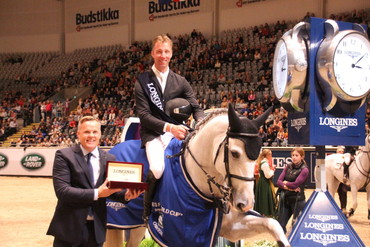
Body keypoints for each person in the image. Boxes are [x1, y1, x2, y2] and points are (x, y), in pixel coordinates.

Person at [134, 34, 205, 223]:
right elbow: (144, 116)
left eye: (166, 52)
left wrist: (201, 124)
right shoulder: (142, 81)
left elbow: (196, 108)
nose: (163, 55)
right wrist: (169, 128)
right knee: (157, 169)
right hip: (154, 134)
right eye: (159, 51)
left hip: (179, 131)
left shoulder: (180, 81)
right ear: (152, 53)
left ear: (172, 54)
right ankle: (147, 210)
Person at [47, 116, 143, 247]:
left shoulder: (109, 158)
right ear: (78, 134)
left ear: (100, 134)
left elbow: (111, 191)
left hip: (96, 229)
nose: (91, 135)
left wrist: (126, 195)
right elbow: (63, 192)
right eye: (87, 132)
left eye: (95, 132)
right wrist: (97, 193)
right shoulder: (64, 155)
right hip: (69, 228)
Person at [276, 147, 309, 233]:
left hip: (298, 201)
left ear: (302, 157)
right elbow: (278, 181)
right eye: (293, 155)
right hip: (285, 199)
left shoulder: (304, 170)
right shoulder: (288, 166)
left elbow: (295, 184)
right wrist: (288, 187)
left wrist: (285, 183)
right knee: (280, 224)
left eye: (296, 155)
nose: (294, 157)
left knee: (296, 226)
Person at [254, 149, 277, 217]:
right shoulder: (265, 164)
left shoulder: (263, 162)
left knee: (264, 197)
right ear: (266, 155)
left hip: (263, 182)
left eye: (271, 154)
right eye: (269, 154)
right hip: (265, 183)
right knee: (264, 198)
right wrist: (272, 170)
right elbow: (268, 175)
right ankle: (265, 213)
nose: (271, 156)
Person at [335, 146, 350, 213]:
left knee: (343, 192)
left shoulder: (346, 161)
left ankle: (343, 208)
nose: (341, 153)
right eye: (339, 151)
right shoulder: (333, 160)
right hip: (334, 179)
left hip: (342, 180)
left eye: (342, 152)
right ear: (336, 152)